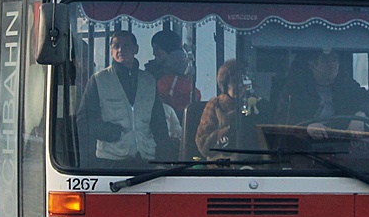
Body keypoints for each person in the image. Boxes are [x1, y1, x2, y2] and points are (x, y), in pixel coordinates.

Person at [76, 30, 175, 164]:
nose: (120, 50)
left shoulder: (149, 81)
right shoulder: (99, 80)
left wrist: (165, 160)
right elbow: (84, 121)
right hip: (110, 160)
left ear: (136, 49)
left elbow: (159, 124)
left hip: (146, 159)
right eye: (116, 46)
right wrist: (110, 132)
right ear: (111, 51)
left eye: (126, 46)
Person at [276, 49, 369, 133]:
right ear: (312, 65)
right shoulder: (295, 88)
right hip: (303, 149)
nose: (332, 65)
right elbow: (282, 118)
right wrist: (307, 127)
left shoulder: (346, 86)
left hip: (343, 146)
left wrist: (360, 116)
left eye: (334, 60)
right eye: (325, 61)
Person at [196, 59, 262, 155]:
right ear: (225, 84)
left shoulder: (256, 105)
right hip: (222, 164)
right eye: (234, 81)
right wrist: (224, 132)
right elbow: (203, 145)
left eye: (243, 81)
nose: (240, 86)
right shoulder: (216, 105)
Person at [144, 29, 199, 115]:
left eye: (157, 49)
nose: (154, 53)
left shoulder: (185, 73)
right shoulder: (151, 72)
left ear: (168, 48)